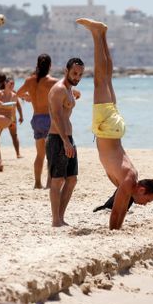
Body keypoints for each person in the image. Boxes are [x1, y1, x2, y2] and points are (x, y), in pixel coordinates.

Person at [77, 18, 153, 230]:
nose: (145, 204)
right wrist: (115, 230)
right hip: (108, 127)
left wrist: (119, 225)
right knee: (100, 80)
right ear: (142, 190)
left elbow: (122, 207)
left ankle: (102, 33)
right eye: (147, 200)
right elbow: (117, 210)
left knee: (107, 79)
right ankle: (97, 34)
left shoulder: (130, 180)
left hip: (113, 129)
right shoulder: (129, 181)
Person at [46, 58, 84, 227]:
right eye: (75, 73)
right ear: (66, 70)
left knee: (72, 179)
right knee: (57, 180)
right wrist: (65, 141)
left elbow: (66, 106)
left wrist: (75, 95)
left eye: (80, 74)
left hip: (68, 139)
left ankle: (61, 217)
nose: (77, 77)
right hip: (57, 139)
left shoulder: (69, 89)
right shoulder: (59, 89)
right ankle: (56, 220)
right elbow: (56, 116)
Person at [17, 54, 59, 188]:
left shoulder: (30, 81)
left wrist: (28, 97)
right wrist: (77, 94)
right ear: (50, 66)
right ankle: (48, 183)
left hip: (36, 119)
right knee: (51, 154)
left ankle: (37, 183)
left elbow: (18, 93)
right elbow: (67, 90)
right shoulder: (52, 81)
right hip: (48, 119)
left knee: (40, 154)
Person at [0, 73, 22, 159]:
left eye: (13, 84)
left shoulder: (14, 94)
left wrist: (20, 116)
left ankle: (18, 153)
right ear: (4, 83)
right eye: (11, 83)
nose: (12, 85)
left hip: (10, 118)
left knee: (14, 135)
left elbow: (18, 105)